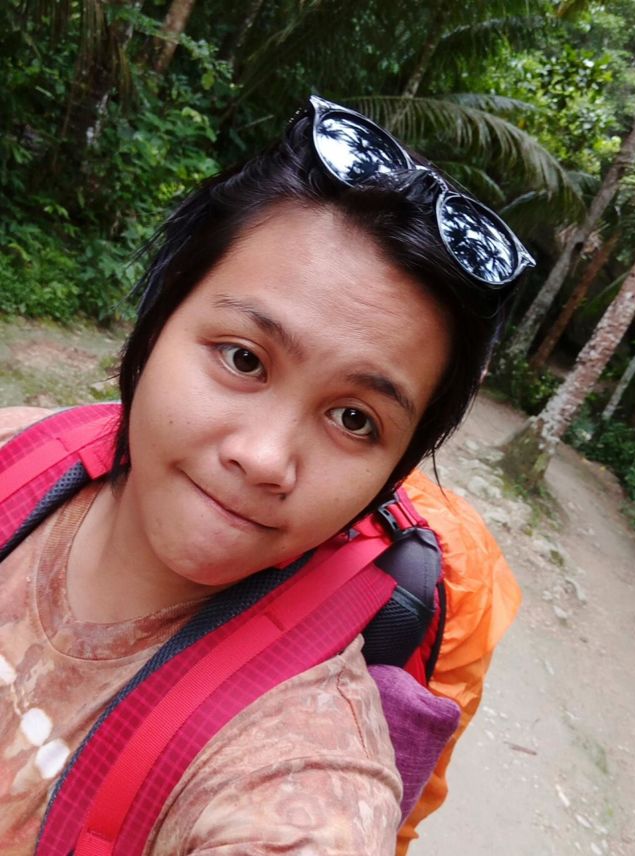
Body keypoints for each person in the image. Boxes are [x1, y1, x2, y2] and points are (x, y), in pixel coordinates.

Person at [0, 95, 531, 854]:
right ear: (156, 321)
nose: (265, 458)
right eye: (244, 359)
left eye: (355, 420)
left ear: (392, 472)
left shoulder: (306, 767)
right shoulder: (19, 451)